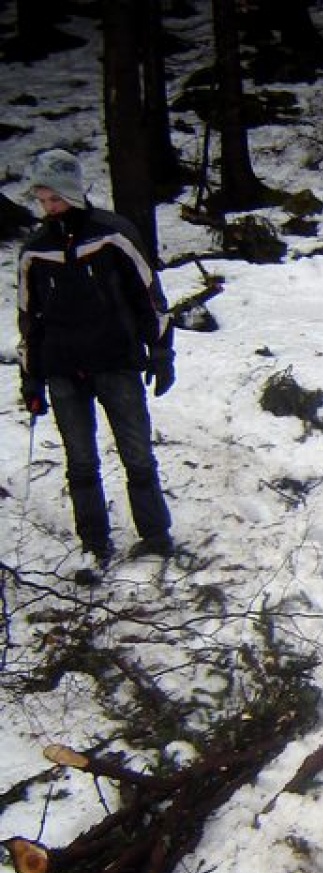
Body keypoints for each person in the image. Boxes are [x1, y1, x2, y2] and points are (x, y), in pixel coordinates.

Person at [16, 149, 176, 576]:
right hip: (62, 368)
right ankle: (94, 543)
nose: (50, 208)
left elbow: (149, 297)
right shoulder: (35, 251)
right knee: (81, 461)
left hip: (115, 360)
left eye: (56, 198)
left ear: (73, 192)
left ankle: (156, 536)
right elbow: (29, 320)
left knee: (137, 454)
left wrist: (161, 351)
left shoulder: (112, 235)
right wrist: (31, 379)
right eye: (43, 200)